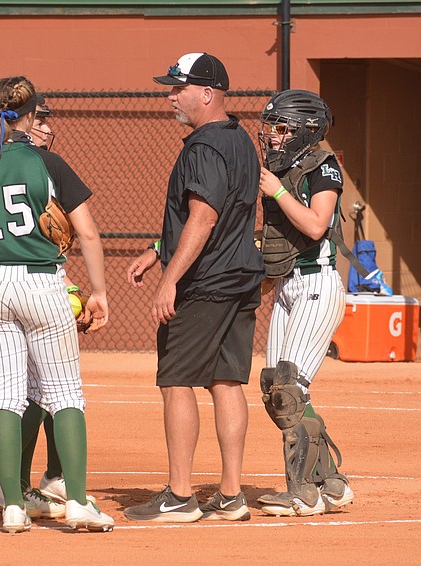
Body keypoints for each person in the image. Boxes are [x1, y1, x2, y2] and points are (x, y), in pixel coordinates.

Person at [0, 75, 114, 533]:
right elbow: (85, 232)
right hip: (41, 285)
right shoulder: (46, 163)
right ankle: (79, 502)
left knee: (4, 397)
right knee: (64, 394)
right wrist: (100, 291)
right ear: (29, 116)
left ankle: (11, 504)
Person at [124, 53, 262, 523]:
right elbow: (210, 217)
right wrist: (157, 249)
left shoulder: (202, 147)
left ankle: (181, 495)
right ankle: (230, 494)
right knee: (226, 380)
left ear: (206, 94)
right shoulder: (240, 140)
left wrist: (169, 280)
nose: (170, 96)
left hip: (207, 282)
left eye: (178, 88)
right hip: (240, 276)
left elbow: (203, 219)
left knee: (177, 380)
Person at [254, 89, 354, 517]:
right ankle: (331, 483)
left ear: (306, 130)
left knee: (291, 390)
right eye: (271, 128)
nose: (272, 136)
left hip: (318, 285)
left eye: (282, 128)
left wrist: (277, 192)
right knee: (274, 387)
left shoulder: (323, 166)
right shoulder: (279, 168)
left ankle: (303, 492)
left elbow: (315, 225)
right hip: (287, 288)